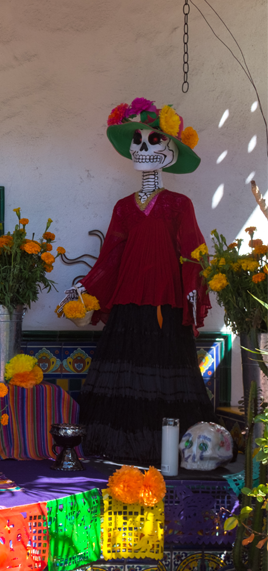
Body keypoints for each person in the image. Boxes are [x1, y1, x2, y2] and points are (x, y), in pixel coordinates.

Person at [70, 98, 213, 464]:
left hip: (166, 301)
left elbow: (195, 254)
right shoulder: (123, 207)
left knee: (166, 374)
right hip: (128, 302)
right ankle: (117, 451)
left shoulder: (179, 205)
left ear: (169, 151)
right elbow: (111, 258)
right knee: (126, 373)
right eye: (138, 140)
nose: (142, 148)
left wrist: (194, 301)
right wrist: (85, 288)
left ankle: (167, 454)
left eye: (153, 141)